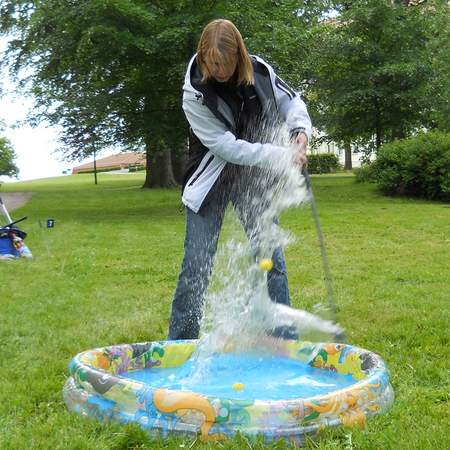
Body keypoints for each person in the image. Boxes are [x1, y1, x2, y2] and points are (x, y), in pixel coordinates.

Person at [168, 19, 312, 340]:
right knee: (196, 270)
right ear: (202, 55)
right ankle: (179, 347)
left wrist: (300, 133)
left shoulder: (259, 71)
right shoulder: (194, 92)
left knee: (271, 260)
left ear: (239, 56)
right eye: (211, 63)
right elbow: (226, 147)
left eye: (225, 63)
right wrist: (282, 154)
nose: (218, 71)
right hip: (209, 180)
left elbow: (292, 101)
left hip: (252, 181)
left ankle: (283, 341)